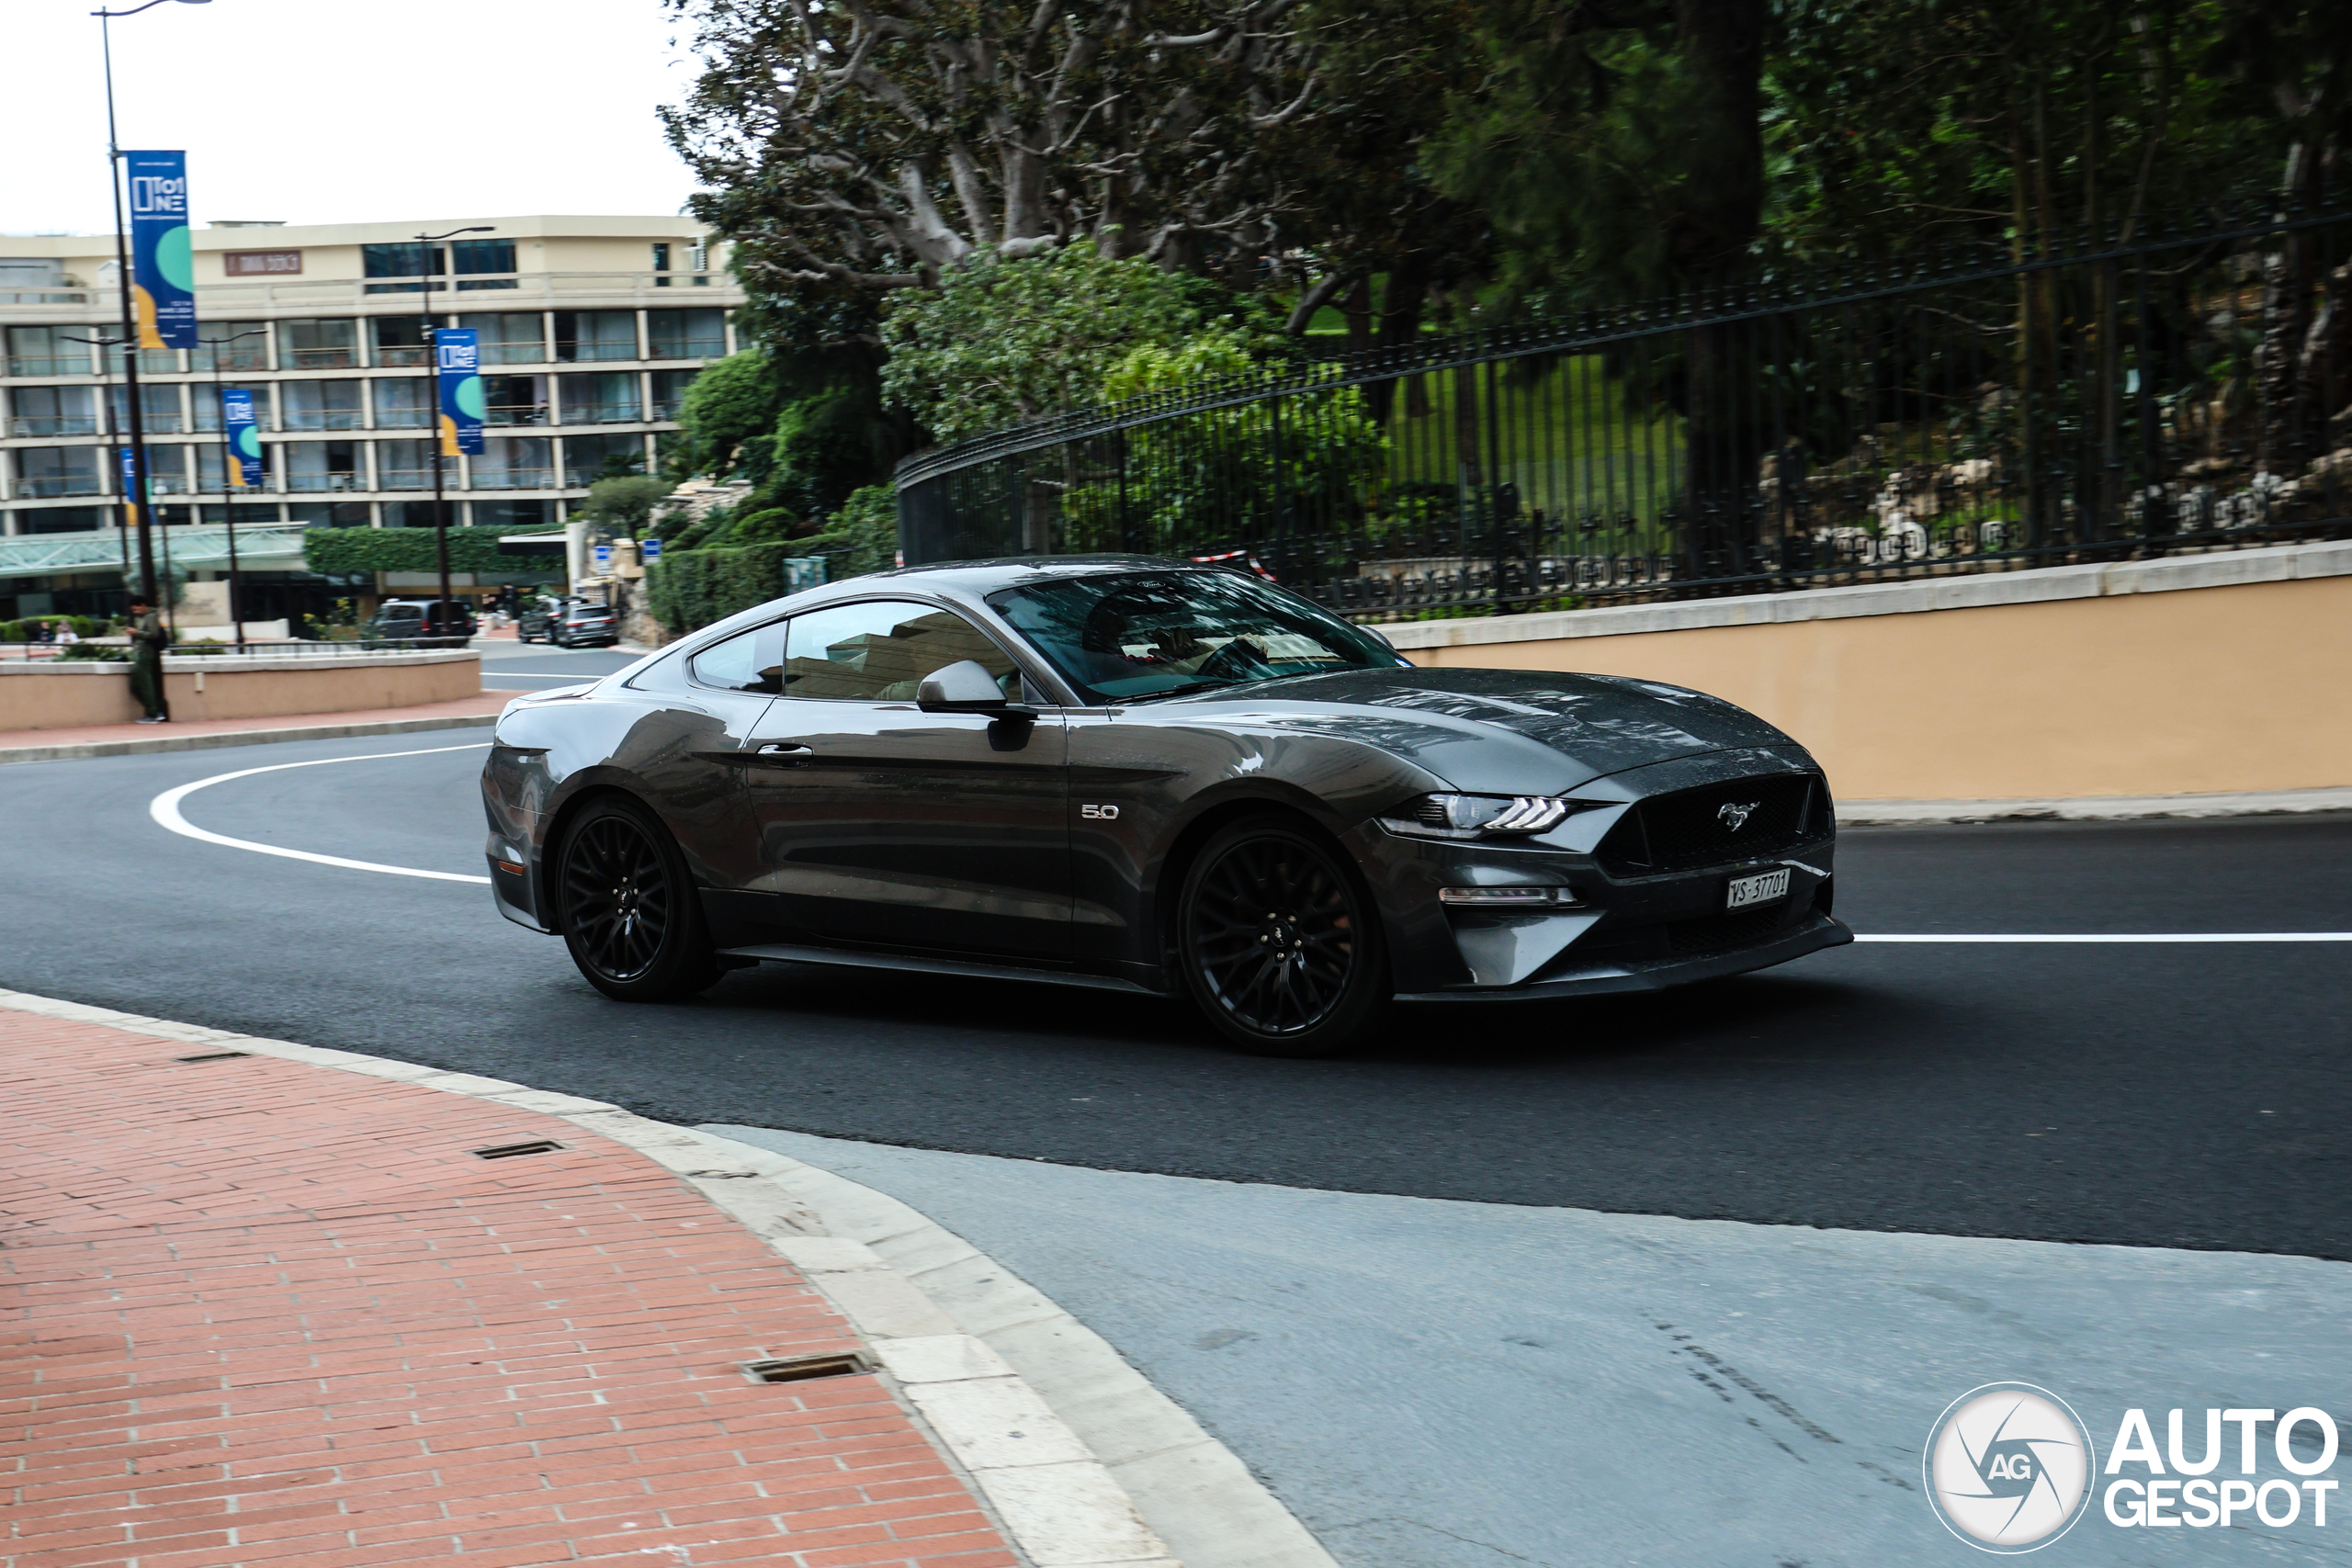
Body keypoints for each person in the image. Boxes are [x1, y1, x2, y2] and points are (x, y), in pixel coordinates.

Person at [127, 597, 170, 723]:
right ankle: (154, 710)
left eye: (136, 609)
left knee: (144, 684)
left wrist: (136, 633)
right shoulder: (146, 617)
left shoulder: (150, 616)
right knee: (136, 685)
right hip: (141, 653)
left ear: (143, 605)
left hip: (145, 654)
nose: (135, 612)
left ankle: (153, 713)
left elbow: (153, 634)